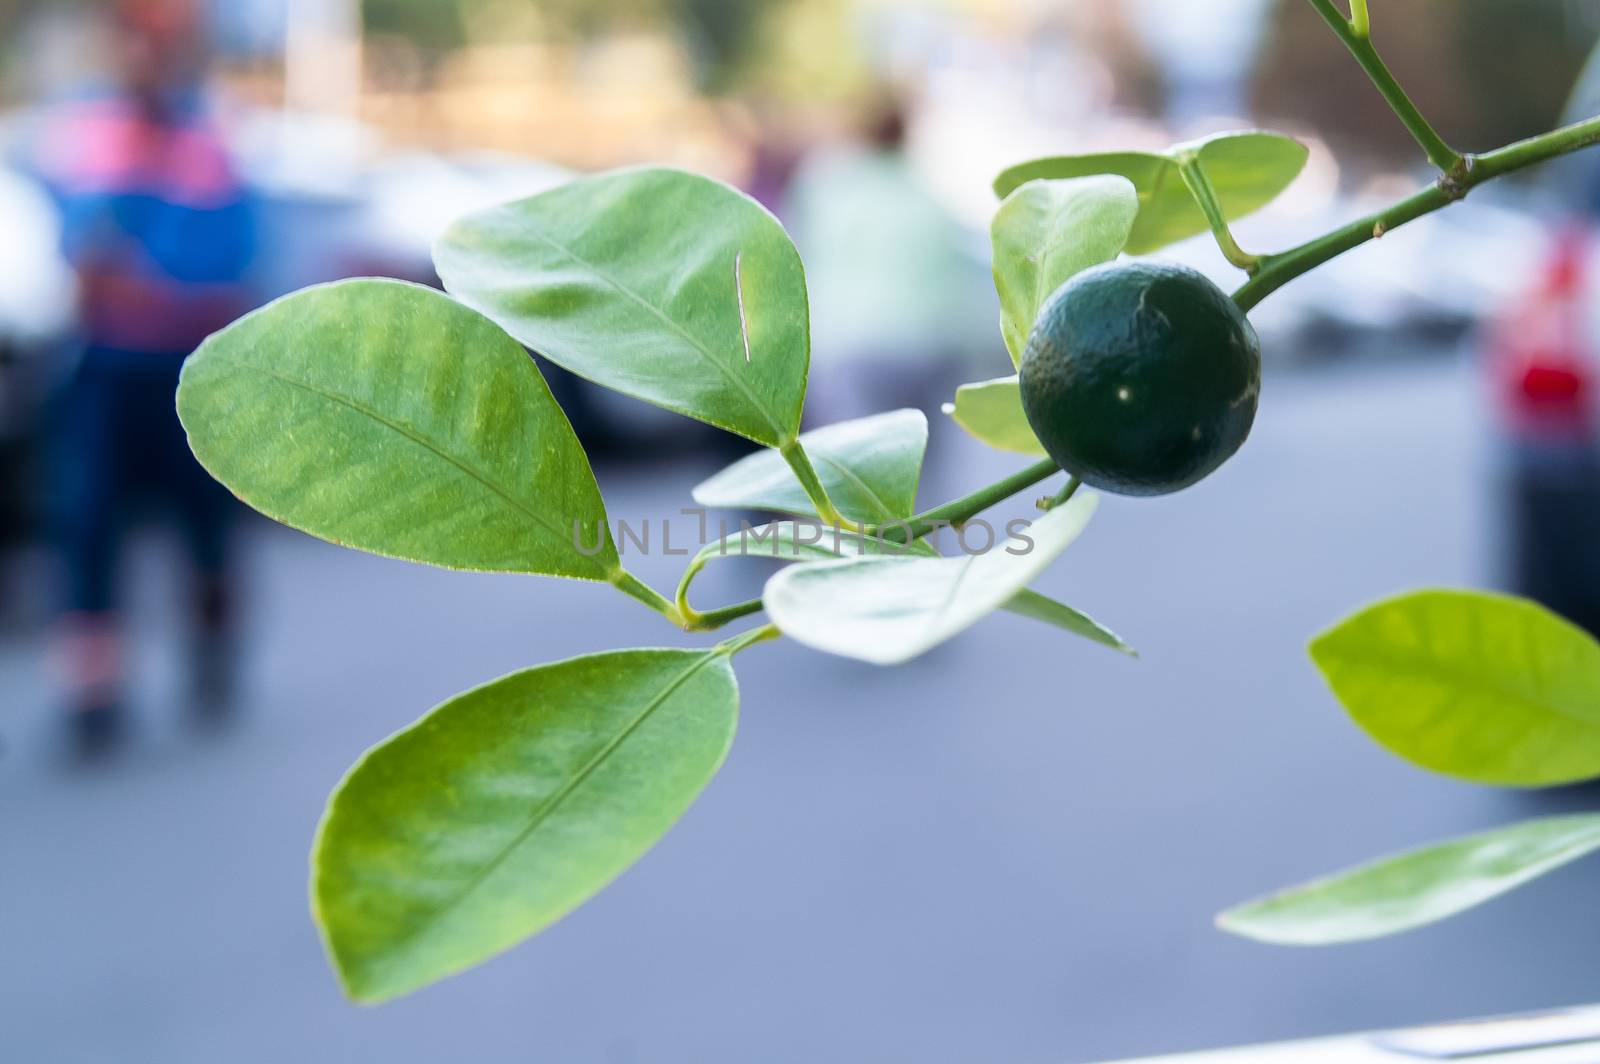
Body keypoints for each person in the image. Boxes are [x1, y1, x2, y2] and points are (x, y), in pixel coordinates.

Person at [28, 0, 256, 755]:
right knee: (87, 529)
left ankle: (213, 655)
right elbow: (80, 252)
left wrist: (147, 290)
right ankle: (94, 695)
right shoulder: (84, 128)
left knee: (208, 531)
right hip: (105, 370)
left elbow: (233, 268)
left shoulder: (215, 135)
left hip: (194, 372)